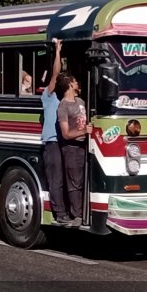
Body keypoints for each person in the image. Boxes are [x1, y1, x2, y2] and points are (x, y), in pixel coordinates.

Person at [40, 39, 71, 225]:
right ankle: (60, 214)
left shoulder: (68, 101)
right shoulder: (49, 96)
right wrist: (57, 51)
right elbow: (55, 74)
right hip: (52, 142)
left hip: (66, 142)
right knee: (56, 180)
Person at [56, 72, 93, 228]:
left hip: (85, 146)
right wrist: (84, 131)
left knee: (84, 179)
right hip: (71, 148)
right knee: (74, 182)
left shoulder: (81, 101)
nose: (78, 83)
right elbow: (66, 133)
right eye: (76, 81)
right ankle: (76, 215)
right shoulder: (63, 106)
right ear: (70, 84)